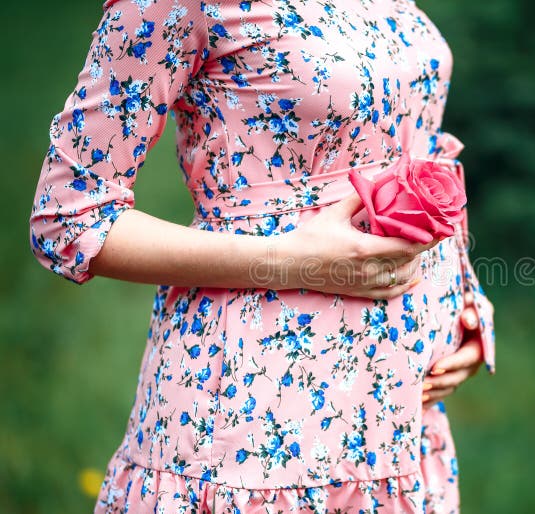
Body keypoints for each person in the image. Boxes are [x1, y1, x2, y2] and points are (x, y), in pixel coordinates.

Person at [29, 0, 496, 512]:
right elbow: (69, 217)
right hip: (258, 429)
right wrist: (289, 261)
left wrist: (463, 303)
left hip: (399, 415)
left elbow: (410, 148)